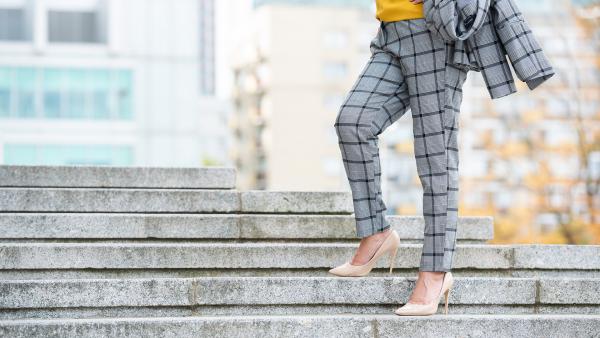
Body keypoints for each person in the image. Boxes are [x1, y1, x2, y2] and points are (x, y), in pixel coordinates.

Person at [329, 0, 463, 316]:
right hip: (390, 31)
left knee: (436, 157)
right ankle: (377, 231)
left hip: (435, 31)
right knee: (354, 122)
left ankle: (436, 272)